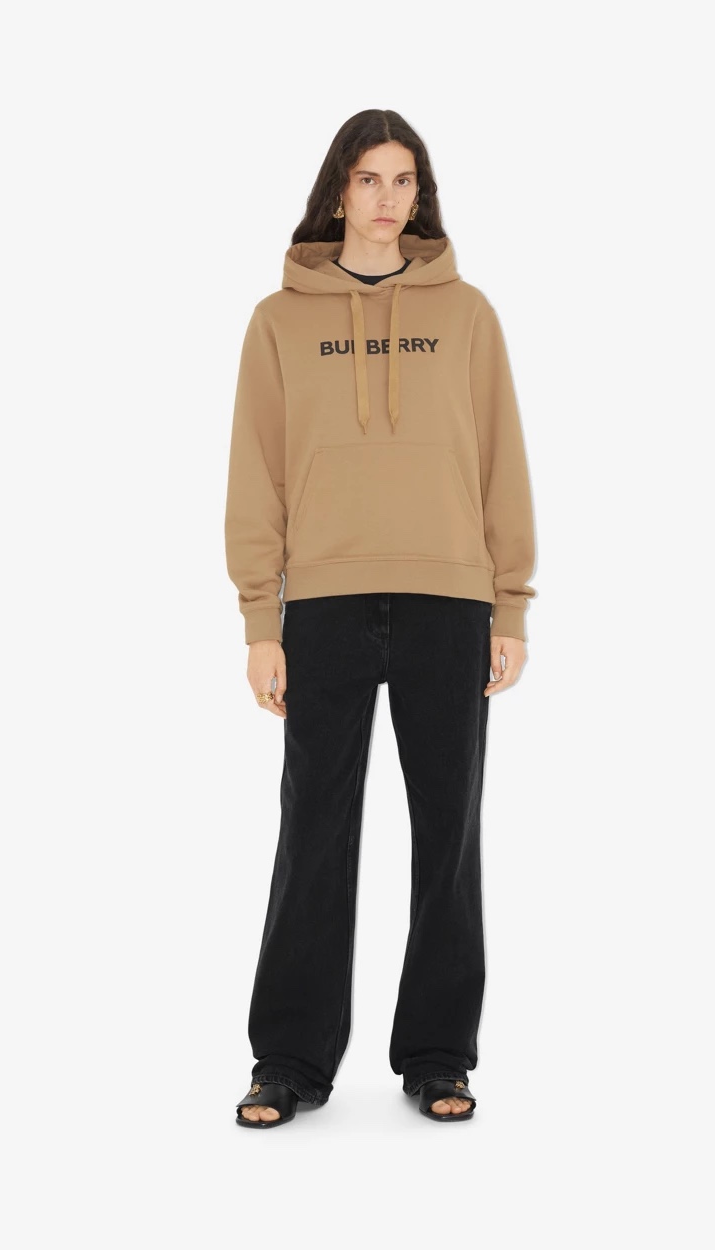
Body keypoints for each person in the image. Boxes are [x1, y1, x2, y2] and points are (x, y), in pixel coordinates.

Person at [224, 109, 536, 1128]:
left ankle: (439, 1055)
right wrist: (259, 619)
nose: (387, 198)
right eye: (368, 179)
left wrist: (510, 602)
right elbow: (256, 473)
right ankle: (288, 1059)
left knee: (448, 831)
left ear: (420, 193)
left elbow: (500, 458)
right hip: (322, 598)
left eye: (404, 180)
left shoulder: (469, 315)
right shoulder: (277, 321)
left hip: (450, 595)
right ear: (337, 191)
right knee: (314, 830)